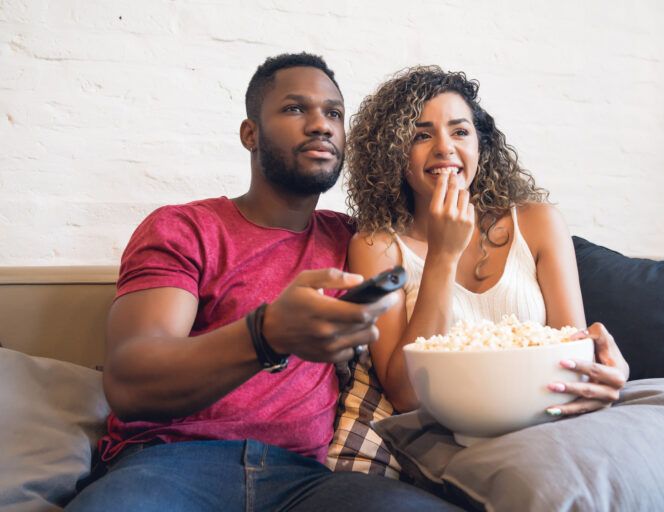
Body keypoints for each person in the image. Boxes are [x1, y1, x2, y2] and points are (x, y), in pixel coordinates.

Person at [66, 54, 461, 512]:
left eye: (334, 113)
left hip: (305, 482)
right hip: (169, 464)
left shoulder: (355, 240)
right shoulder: (186, 228)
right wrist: (266, 334)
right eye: (296, 109)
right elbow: (131, 383)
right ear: (249, 133)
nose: (320, 125)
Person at [327, 66, 630, 476]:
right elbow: (405, 394)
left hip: (542, 430)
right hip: (441, 441)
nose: (444, 148)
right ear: (392, 155)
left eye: (460, 131)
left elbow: (569, 351)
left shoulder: (538, 223)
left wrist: (605, 369)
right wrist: (442, 255)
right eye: (421, 134)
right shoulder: (377, 246)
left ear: (481, 146)